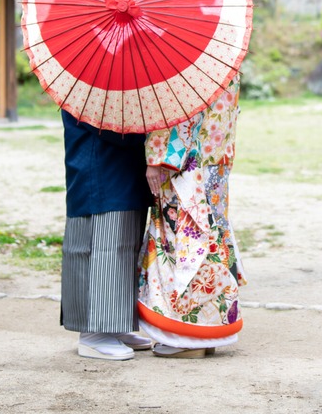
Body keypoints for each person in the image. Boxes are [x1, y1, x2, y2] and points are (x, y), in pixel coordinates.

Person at [137, 76, 246, 358]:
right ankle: (209, 331)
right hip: (215, 161)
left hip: (186, 165)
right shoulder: (220, 57)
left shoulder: (185, 63)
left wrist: (157, 157)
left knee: (184, 242)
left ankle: (186, 336)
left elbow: (175, 109)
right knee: (211, 239)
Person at [59, 110, 155, 361]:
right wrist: (150, 132)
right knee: (101, 247)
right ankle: (93, 332)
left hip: (124, 170)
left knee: (125, 246)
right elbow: (110, 126)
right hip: (97, 169)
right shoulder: (86, 90)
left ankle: (116, 325)